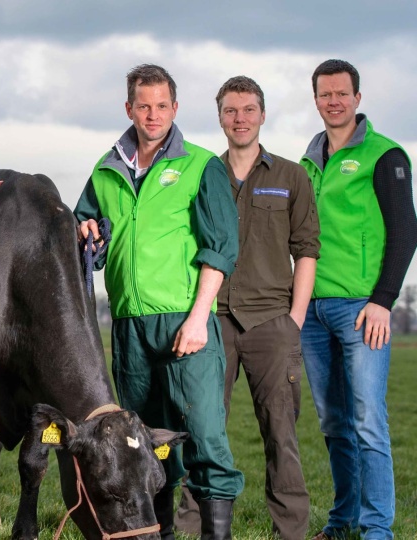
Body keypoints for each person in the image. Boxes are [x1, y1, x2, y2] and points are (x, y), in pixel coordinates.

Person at [74, 64, 244, 540]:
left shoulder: (201, 164)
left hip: (185, 323)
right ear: (129, 108)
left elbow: (221, 247)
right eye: (143, 105)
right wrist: (85, 232)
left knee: (206, 438)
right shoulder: (106, 170)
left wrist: (197, 319)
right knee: (144, 443)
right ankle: (159, 535)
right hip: (129, 327)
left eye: (162, 105)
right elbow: (85, 229)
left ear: (175, 108)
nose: (153, 115)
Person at [174, 76, 319, 539]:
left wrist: (294, 321)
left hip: (272, 323)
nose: (240, 119)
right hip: (212, 323)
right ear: (220, 117)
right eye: (231, 110)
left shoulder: (290, 176)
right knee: (201, 433)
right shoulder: (200, 174)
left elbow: (307, 251)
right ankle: (196, 528)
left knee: (282, 437)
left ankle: (289, 533)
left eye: (249, 109)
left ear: (262, 114)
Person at [300, 59, 417, 540]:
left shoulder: (385, 155)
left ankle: (376, 529)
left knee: (369, 420)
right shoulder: (308, 162)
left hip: (362, 310)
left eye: (342, 94)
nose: (334, 101)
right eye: (325, 94)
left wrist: (384, 300)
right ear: (316, 100)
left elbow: (406, 232)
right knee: (333, 423)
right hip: (312, 311)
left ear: (357, 98)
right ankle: (343, 516)